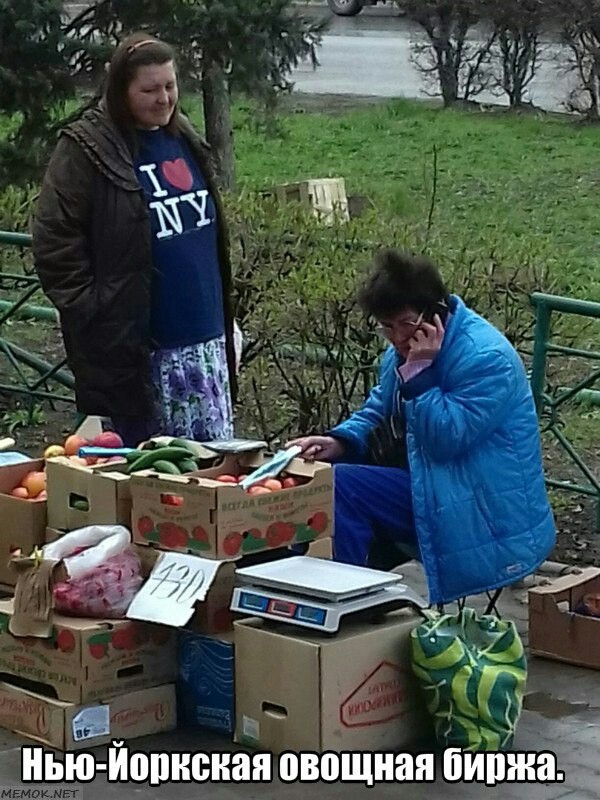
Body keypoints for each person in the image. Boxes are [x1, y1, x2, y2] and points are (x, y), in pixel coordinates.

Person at [289, 249, 556, 606]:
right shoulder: (406, 349)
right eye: (387, 326)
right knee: (318, 477)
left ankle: (342, 602)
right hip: (432, 487)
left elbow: (445, 440)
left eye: (406, 323)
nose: (397, 337)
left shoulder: (485, 359)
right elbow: (378, 409)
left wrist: (421, 376)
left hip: (480, 511)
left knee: (341, 487)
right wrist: (340, 441)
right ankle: (303, 589)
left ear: (436, 313)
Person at [32, 32, 238, 447]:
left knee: (211, 477)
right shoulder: (86, 149)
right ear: (121, 90)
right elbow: (54, 241)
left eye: (170, 85)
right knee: (155, 482)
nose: (164, 99)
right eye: (149, 89)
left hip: (204, 345)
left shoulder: (182, 138)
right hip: (142, 356)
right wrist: (95, 311)